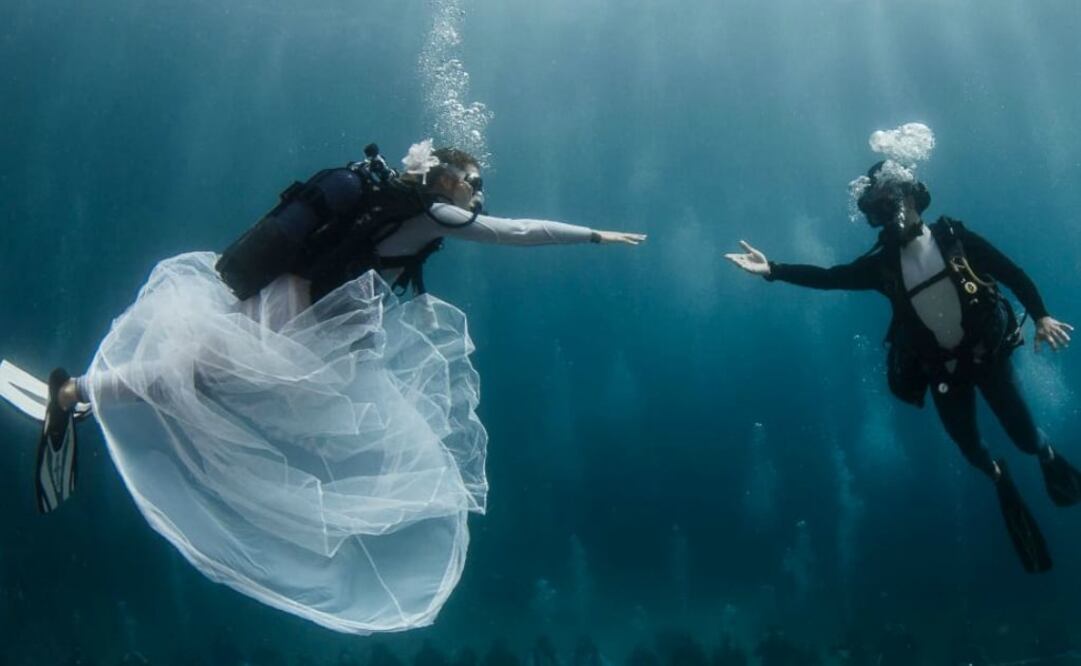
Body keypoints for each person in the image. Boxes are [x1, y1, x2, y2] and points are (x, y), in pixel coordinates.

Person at [26, 140, 646, 633]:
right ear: (443, 179)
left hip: (298, 308)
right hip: (296, 316)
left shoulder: (394, 201)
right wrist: (592, 234)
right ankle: (74, 394)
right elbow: (512, 232)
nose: (478, 193)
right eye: (471, 180)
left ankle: (81, 393)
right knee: (199, 378)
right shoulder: (430, 212)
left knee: (203, 379)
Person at [726, 160, 1077, 573]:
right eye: (876, 209)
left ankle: (1047, 454)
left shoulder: (955, 239)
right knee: (970, 449)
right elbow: (831, 277)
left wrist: (1041, 316)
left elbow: (1010, 273)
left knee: (1023, 438)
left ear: (912, 196)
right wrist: (773, 270)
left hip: (987, 359)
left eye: (890, 201)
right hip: (943, 373)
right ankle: (998, 477)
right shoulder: (882, 264)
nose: (886, 214)